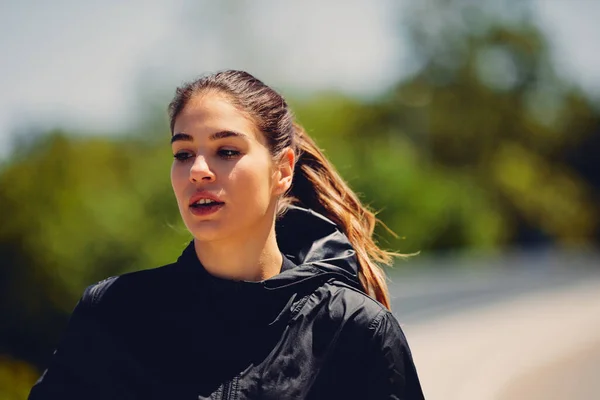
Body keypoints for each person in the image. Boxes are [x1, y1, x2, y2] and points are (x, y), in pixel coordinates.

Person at [28, 70, 425, 399]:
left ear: (283, 170)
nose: (198, 169)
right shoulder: (113, 314)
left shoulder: (355, 330)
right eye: (183, 154)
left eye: (227, 151)